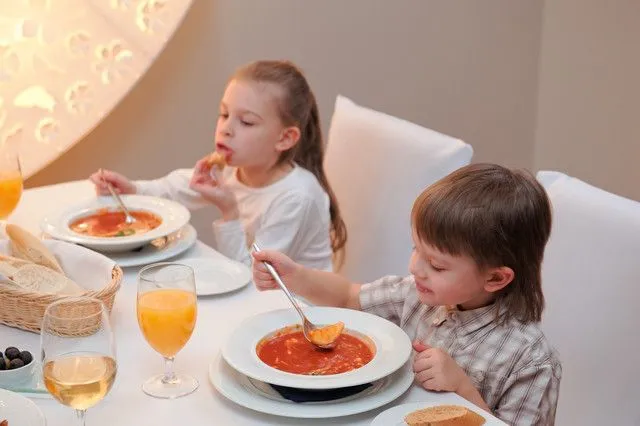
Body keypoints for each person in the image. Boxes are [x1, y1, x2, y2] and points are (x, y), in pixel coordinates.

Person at [252, 163, 561, 426]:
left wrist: (462, 388)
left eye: (437, 265)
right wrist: (296, 277)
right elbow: (348, 296)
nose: (415, 268)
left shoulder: (531, 360)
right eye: (416, 249)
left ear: (495, 277)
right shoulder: (414, 296)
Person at [90, 60, 346, 270]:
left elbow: (251, 278)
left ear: (285, 138)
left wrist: (229, 213)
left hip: (299, 311)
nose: (226, 129)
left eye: (246, 122)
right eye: (224, 114)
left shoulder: (296, 198)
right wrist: (133, 189)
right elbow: (180, 187)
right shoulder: (236, 168)